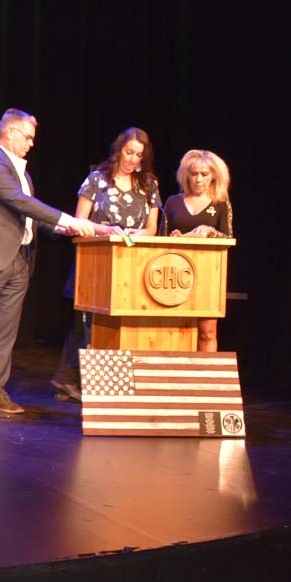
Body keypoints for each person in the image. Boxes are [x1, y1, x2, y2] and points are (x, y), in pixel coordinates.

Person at [0, 109, 102, 415]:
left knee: (6, 331)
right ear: (10, 132)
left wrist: (61, 227)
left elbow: (28, 216)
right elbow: (20, 202)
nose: (31, 143)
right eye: (27, 137)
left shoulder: (23, 174)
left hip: (19, 259)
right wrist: (69, 218)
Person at [50, 127, 161, 400]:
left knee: (118, 323)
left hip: (131, 264)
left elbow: (152, 228)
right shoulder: (97, 180)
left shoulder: (148, 184)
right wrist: (106, 231)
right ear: (118, 150)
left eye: (138, 155)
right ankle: (73, 378)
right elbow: (78, 223)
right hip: (96, 259)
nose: (133, 159)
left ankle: (91, 382)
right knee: (86, 321)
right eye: (129, 152)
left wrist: (137, 234)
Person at [163, 149, 234, 352]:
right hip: (175, 274)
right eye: (194, 174)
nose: (198, 179)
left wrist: (211, 232)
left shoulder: (221, 204)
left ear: (214, 176)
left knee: (207, 331)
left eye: (204, 174)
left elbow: (228, 239)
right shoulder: (172, 202)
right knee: (176, 330)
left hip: (208, 275)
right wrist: (172, 238)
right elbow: (158, 240)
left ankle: (206, 381)